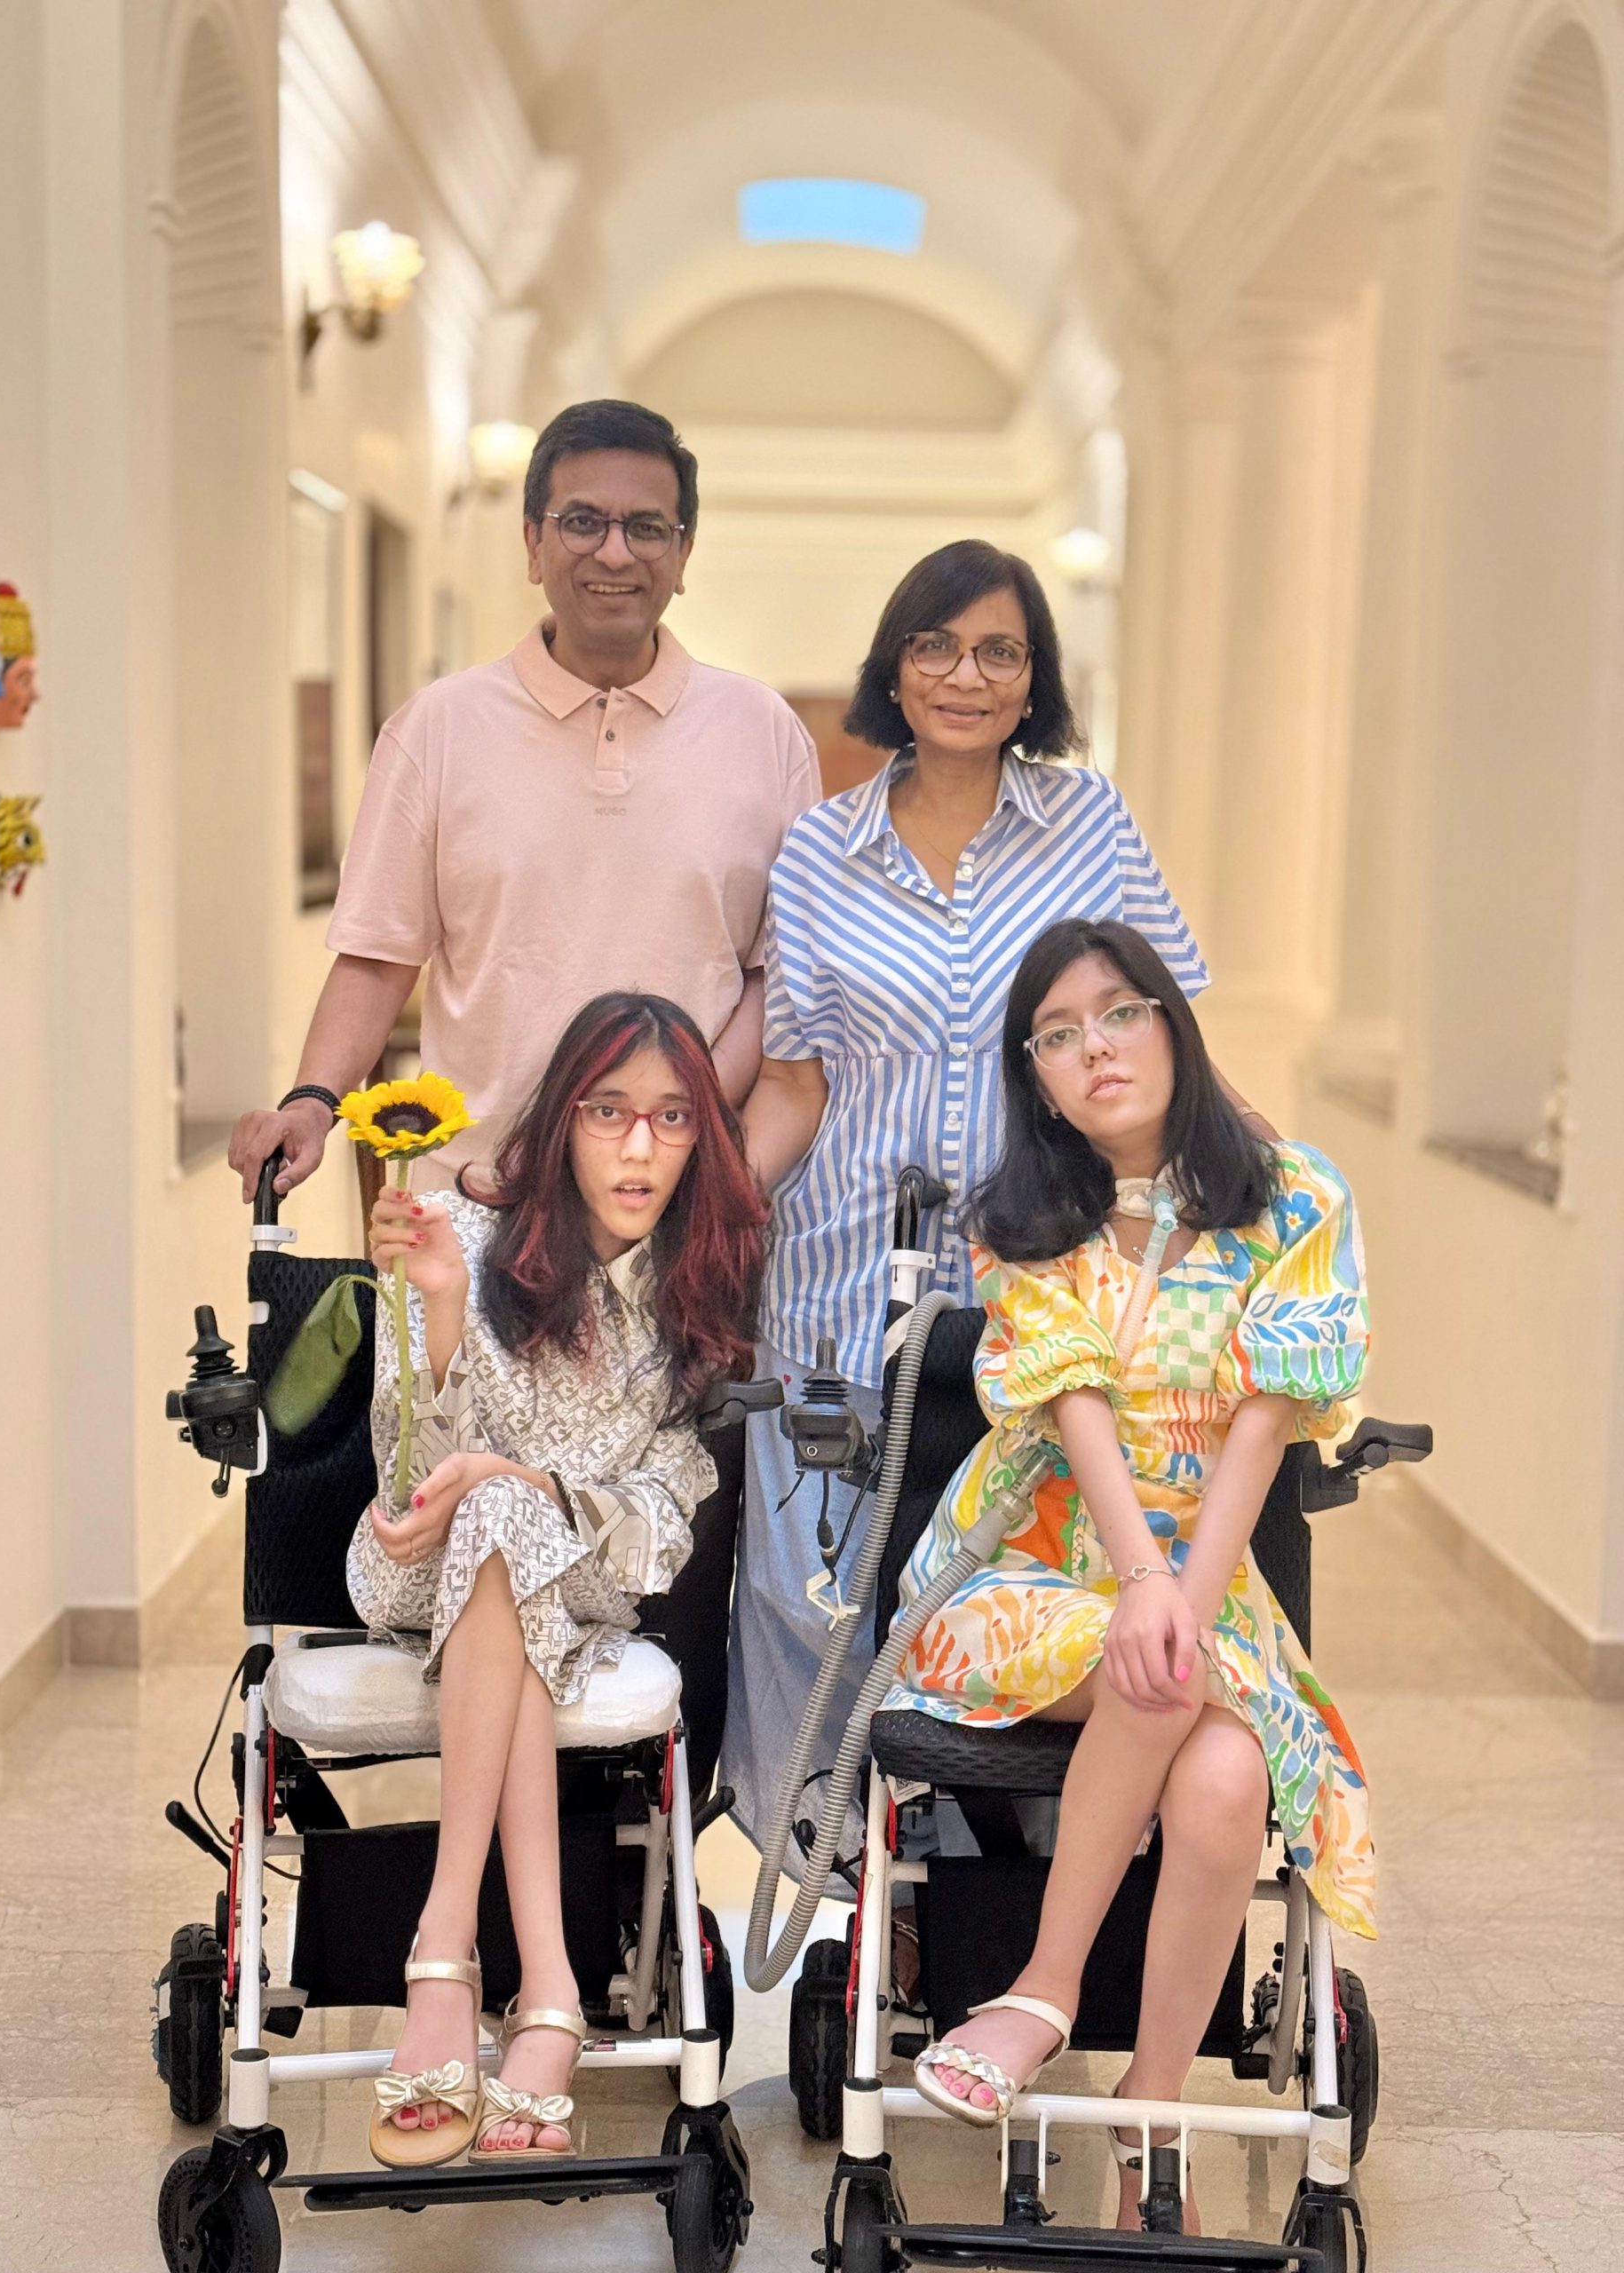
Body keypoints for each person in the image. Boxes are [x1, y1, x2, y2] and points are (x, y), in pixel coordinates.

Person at [726, 539, 1265, 1861]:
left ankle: (986, 1898)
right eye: (936, 645)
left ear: (1035, 679)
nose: (965, 676)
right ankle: (851, 1896)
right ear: (894, 666)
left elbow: (1165, 1034)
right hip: (844, 1278)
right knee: (817, 1600)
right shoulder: (820, 848)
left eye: (999, 651)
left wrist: (1267, 1175)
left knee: (1012, 1591)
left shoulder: (1091, 823)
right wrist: (701, 1221)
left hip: (1053, 1292)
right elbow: (793, 1081)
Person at [885, 918, 1370, 2235]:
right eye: (1057, 1035)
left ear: (1173, 1021)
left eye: (1120, 1013)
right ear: (1036, 1080)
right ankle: (1052, 1995)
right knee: (1156, 1667)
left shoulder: (1300, 1199)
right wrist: (1150, 1592)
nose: (1094, 1048)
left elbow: (1268, 1420)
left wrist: (1181, 1600)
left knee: (1221, 1772)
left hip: (1205, 1577)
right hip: (1024, 1571)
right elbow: (1077, 1409)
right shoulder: (1023, 1224)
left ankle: (1149, 2110)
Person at [348, 993, 764, 2169]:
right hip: (418, 1569)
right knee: (485, 1516)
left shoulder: (701, 1291)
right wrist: (438, 1309)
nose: (640, 1147)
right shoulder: (463, 1240)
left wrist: (527, 1488)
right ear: (564, 1118)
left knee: (508, 1517)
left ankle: (454, 1969)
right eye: (609, 1111)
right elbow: (410, 1487)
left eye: (672, 1117)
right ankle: (540, 1988)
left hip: (583, 1583)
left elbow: (664, 1522)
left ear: (701, 1136)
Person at [228, 396, 819, 1202]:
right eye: (583, 522)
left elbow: (774, 976)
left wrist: (672, 1126)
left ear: (682, 556)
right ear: (535, 544)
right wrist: (312, 1100)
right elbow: (376, 957)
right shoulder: (437, 729)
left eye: (647, 528)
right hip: (474, 1197)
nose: (615, 552)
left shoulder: (764, 733)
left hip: (679, 1200)